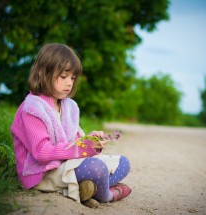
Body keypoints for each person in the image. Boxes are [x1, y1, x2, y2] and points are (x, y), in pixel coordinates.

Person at [10, 43, 131, 208]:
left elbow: (73, 139)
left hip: (66, 165)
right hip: (43, 172)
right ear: (42, 73)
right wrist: (82, 148)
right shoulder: (32, 109)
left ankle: (88, 188)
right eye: (63, 76)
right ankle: (107, 194)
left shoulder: (68, 106)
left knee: (123, 162)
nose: (69, 83)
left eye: (73, 78)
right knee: (97, 167)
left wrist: (89, 139)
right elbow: (41, 152)